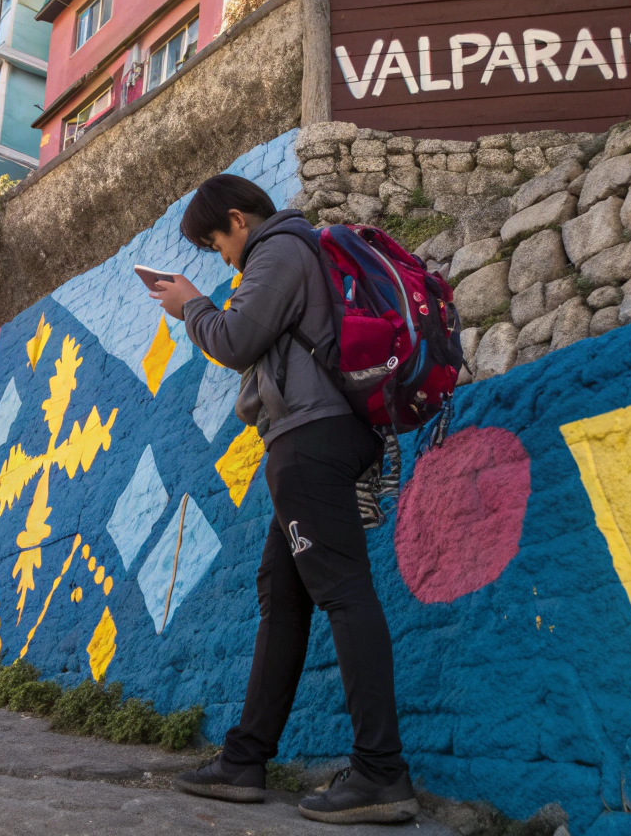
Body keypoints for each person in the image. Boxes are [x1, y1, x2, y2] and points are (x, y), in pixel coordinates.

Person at [149, 174, 417, 825]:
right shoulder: (300, 252)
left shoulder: (276, 249)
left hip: (309, 440)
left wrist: (190, 305)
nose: (221, 258)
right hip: (322, 436)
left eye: (216, 243)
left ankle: (380, 773)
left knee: (342, 590)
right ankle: (244, 760)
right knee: (284, 592)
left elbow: (233, 342)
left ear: (238, 220)